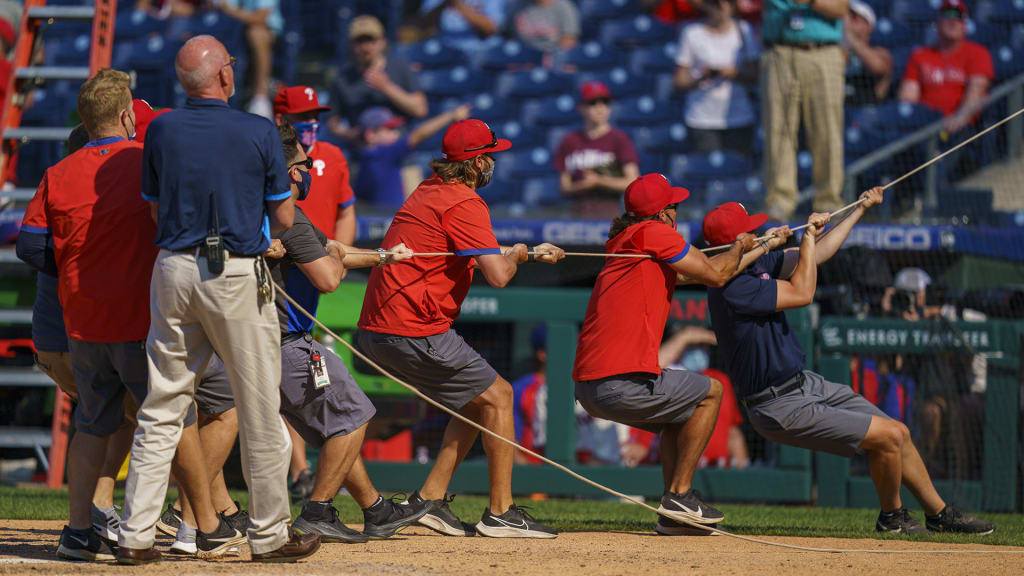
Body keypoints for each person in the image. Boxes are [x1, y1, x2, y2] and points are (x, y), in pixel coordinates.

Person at [117, 35, 319, 564]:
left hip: (175, 266)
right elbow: (286, 219)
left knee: (163, 406)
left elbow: (152, 208)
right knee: (258, 406)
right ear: (225, 77)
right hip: (234, 270)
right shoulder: (256, 130)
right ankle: (270, 535)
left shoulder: (160, 128)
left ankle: (136, 535)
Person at [703, 191, 995, 535]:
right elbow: (803, 293)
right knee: (887, 437)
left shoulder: (753, 265)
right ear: (736, 242)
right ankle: (892, 517)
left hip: (803, 383)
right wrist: (806, 239)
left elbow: (819, 255)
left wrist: (858, 210)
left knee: (898, 432)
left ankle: (939, 514)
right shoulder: (731, 287)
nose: (757, 233)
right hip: (777, 404)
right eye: (749, 231)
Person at [356, 119, 565, 538]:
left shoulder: (429, 189)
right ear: (471, 164)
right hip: (411, 326)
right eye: (488, 156)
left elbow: (465, 249)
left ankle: (431, 499)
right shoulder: (463, 201)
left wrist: (513, 253)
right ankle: (502, 512)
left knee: (476, 403)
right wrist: (520, 255)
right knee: (501, 396)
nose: (492, 163)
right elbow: (499, 275)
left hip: (382, 329)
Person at [16, 70, 158, 561]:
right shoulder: (144, 161)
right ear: (126, 116)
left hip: (82, 322)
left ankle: (77, 532)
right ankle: (202, 523)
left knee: (92, 424)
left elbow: (30, 246)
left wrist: (80, 263)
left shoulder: (57, 173)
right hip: (138, 319)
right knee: (170, 421)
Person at [270, 122, 434, 543]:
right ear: (290, 172)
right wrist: (340, 258)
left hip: (265, 345)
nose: (308, 173)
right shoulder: (289, 219)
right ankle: (318, 511)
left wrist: (384, 256)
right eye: (304, 166)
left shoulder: (267, 212)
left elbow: (332, 251)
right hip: (288, 345)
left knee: (336, 426)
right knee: (355, 415)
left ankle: (375, 510)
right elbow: (328, 276)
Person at [572, 173, 758, 536]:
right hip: (619, 380)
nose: (677, 211)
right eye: (673, 206)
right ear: (661, 214)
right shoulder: (653, 233)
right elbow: (716, 276)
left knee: (681, 416)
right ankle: (679, 496)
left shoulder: (627, 239)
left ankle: (674, 514)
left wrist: (757, 248)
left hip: (590, 389)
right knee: (712, 391)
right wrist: (739, 245)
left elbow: (696, 274)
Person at [761, 0, 847, 220]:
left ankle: (829, 201)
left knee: (827, 130)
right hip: (779, 49)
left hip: (822, 51)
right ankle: (779, 202)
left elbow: (841, 8)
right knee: (778, 131)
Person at [673, 0, 760, 155]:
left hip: (739, 117)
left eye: (724, 3)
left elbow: (755, 75)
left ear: (732, 6)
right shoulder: (692, 33)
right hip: (702, 118)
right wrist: (701, 77)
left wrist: (732, 74)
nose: (719, 8)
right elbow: (679, 81)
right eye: (714, 3)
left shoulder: (744, 30)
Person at [657, 326, 749, 469]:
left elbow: (733, 431)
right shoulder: (670, 374)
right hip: (679, 468)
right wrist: (686, 336)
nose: (698, 350)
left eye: (702, 346)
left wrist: (742, 470)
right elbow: (653, 367)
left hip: (718, 469)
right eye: (692, 345)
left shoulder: (720, 380)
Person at [273, 85, 355, 243]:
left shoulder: (334, 155)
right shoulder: (266, 157)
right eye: (303, 116)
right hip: (279, 259)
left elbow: (346, 213)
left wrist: (341, 260)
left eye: (315, 116)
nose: (312, 123)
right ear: (280, 119)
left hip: (324, 259)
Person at [898, 0, 993, 134]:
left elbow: (976, 94)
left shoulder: (979, 54)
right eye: (948, 15)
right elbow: (908, 98)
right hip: (923, 129)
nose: (953, 21)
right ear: (937, 23)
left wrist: (956, 122)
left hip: (962, 129)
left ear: (965, 25)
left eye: (958, 17)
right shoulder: (920, 55)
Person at [328, 15, 427, 142]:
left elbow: (420, 109)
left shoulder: (400, 67)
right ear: (351, 44)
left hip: (399, 148)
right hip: (362, 151)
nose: (366, 47)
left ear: (382, 42)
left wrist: (386, 87)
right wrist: (349, 134)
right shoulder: (342, 78)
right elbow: (333, 123)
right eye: (360, 41)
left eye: (371, 40)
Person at [354, 104, 471, 208]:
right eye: (389, 129)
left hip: (376, 216)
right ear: (370, 135)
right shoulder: (383, 153)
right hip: (390, 216)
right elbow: (418, 135)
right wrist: (451, 116)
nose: (396, 133)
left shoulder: (365, 155)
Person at [553, 82, 640, 206]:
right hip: (576, 214)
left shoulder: (620, 139)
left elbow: (632, 182)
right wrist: (582, 186)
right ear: (581, 108)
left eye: (604, 102)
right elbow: (564, 187)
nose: (600, 108)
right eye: (592, 103)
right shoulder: (569, 140)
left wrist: (599, 181)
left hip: (609, 214)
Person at [215, 0, 285, 118]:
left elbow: (260, 18)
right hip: (236, 30)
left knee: (257, 33)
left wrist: (230, 10)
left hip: (267, 31)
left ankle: (260, 97)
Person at [843, 0, 892, 107]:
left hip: (866, 114)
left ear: (868, 25)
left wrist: (849, 35)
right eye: (846, 15)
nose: (847, 20)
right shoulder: (838, 50)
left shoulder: (881, 53)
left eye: (854, 17)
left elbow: (878, 66)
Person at [420, 0, 507, 54]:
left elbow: (492, 28)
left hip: (480, 50)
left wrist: (459, 5)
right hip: (446, 48)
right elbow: (424, 23)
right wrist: (445, 3)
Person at [511, 0, 579, 55]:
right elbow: (508, 34)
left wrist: (552, 55)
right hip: (521, 56)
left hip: (551, 56)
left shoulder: (564, 6)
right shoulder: (520, 5)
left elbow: (569, 39)